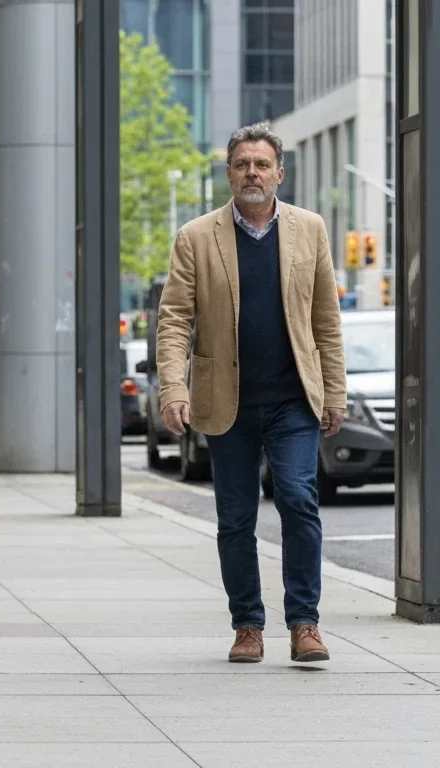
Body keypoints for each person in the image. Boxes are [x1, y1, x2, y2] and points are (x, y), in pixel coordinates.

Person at [156, 122, 346, 665]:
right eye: (242, 165)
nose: (252, 174)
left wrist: (334, 392)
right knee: (235, 518)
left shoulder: (310, 229)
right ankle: (247, 626)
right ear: (229, 173)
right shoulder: (197, 237)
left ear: (279, 173)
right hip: (227, 399)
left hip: (293, 398)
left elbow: (326, 319)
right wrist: (173, 387)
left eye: (262, 165)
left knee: (298, 500)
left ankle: (305, 623)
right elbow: (174, 320)